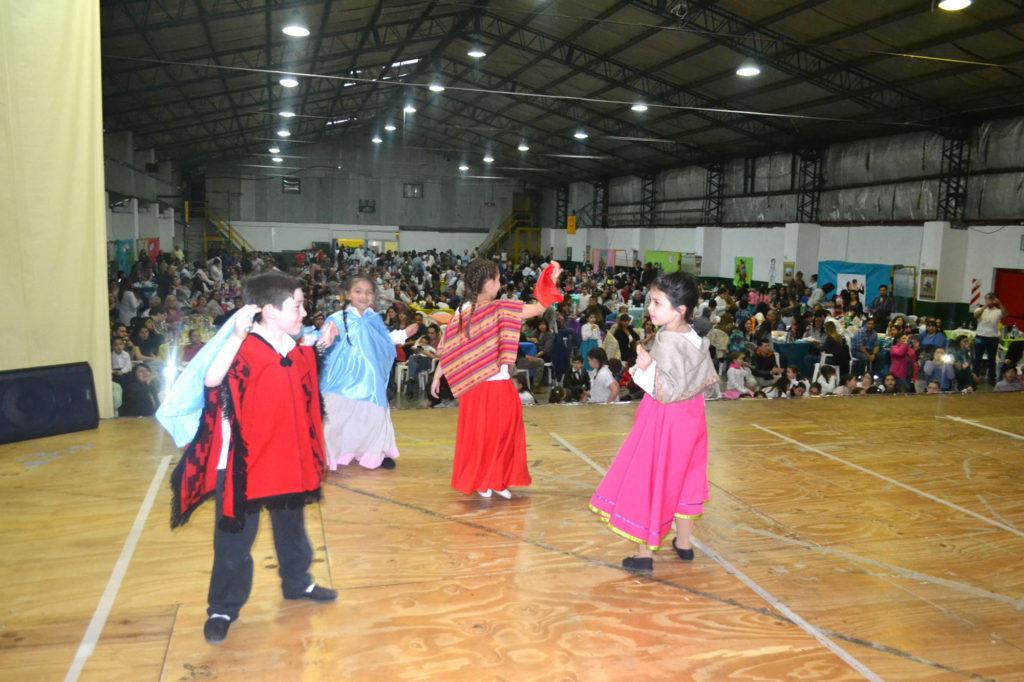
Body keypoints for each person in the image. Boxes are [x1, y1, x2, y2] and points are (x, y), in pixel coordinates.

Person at [168, 272, 336, 646]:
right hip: (244, 463)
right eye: (297, 305)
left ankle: (297, 583)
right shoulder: (242, 346)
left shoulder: (292, 347)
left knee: (292, 529)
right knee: (233, 543)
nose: (303, 311)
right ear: (270, 311)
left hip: (285, 459)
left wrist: (320, 346)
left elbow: (299, 369)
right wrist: (235, 338)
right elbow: (211, 380)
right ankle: (223, 608)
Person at [589, 271, 718, 573]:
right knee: (687, 475)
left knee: (651, 478)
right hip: (693, 417)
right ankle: (684, 545)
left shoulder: (668, 340)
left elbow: (666, 391)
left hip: (665, 418)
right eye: (651, 301)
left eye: (658, 303)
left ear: (680, 310)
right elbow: (706, 381)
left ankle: (644, 554)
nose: (650, 308)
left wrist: (644, 368)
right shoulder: (695, 337)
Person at [430, 258, 556, 499]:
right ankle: (482, 480)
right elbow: (450, 348)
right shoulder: (471, 311)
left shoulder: (497, 308)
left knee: (503, 433)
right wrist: (438, 375)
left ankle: (496, 479)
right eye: (497, 279)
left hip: (495, 383)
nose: (500, 283)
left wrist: (549, 279)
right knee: (485, 436)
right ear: (487, 283)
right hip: (480, 385)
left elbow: (539, 309)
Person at [318, 275, 418, 471]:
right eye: (358, 291)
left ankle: (376, 452)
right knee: (335, 416)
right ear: (347, 294)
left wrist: (403, 334)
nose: (364, 296)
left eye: (369, 292)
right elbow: (324, 345)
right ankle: (330, 453)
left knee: (375, 416)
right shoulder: (335, 320)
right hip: (342, 379)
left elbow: (385, 340)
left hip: (370, 379)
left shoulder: (374, 319)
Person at [973, 293, 1007, 384]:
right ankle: (975, 376)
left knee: (992, 359)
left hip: (993, 338)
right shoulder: (979, 309)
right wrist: (985, 306)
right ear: (985, 300)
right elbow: (976, 315)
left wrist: (999, 304)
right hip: (980, 336)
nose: (990, 301)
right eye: (988, 299)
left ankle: (991, 379)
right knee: (977, 357)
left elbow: (1005, 314)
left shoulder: (998, 311)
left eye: (992, 299)